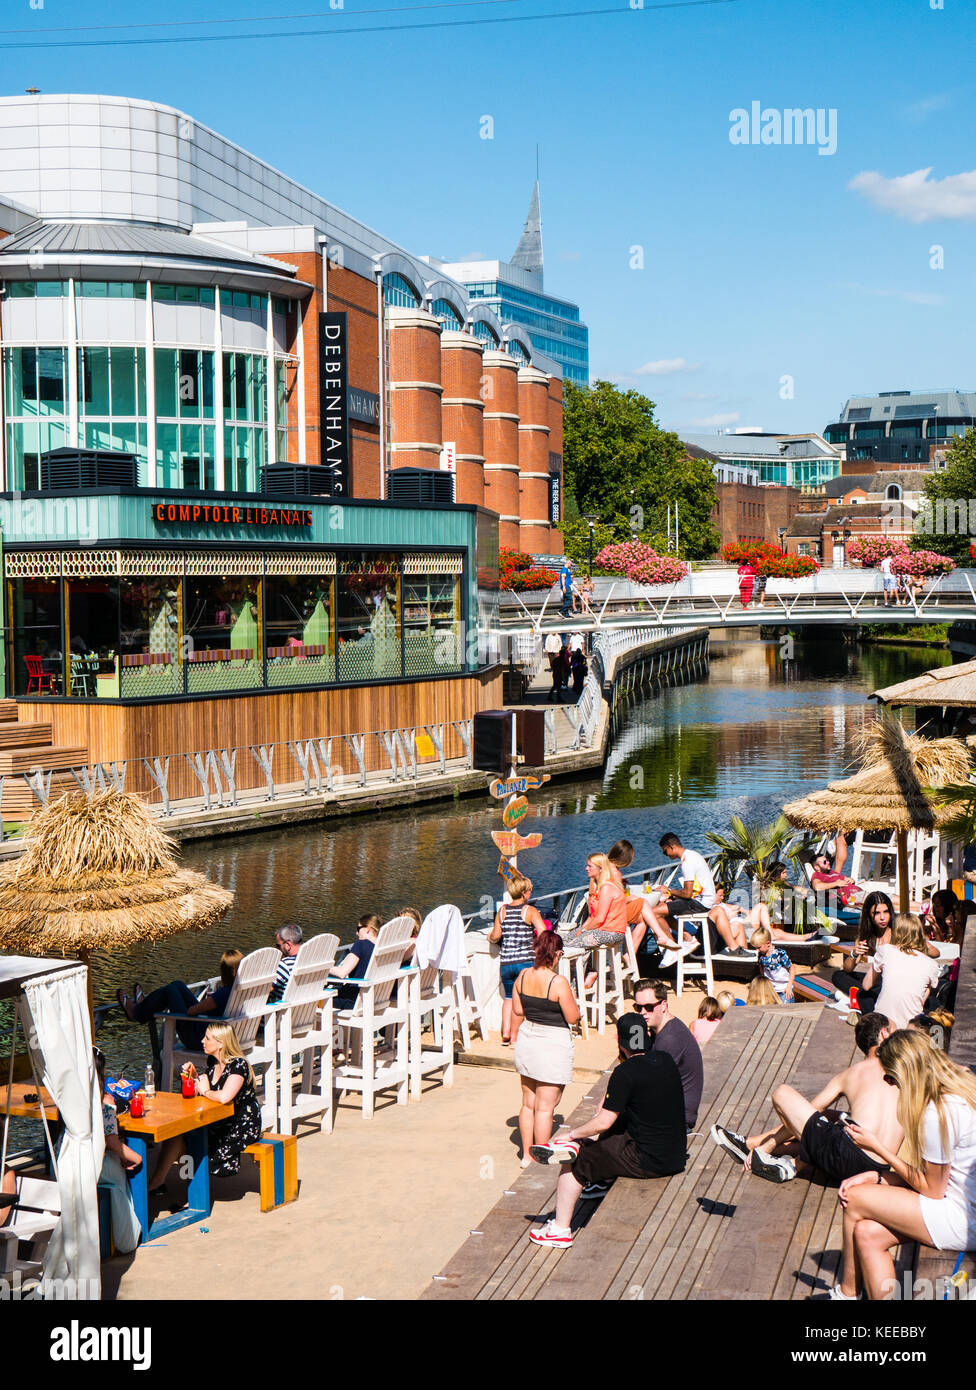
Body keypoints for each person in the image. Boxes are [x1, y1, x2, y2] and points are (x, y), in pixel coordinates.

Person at [834, 1028, 976, 1300]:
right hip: (964, 1202)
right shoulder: (960, 1085)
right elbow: (940, 1177)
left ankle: (846, 1294)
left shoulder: (937, 1112)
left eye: (889, 1077)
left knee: (853, 1198)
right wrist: (878, 1177)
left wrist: (877, 1148)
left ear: (904, 1073)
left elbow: (933, 1189)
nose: (890, 1084)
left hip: (963, 1217)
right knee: (867, 1234)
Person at [527, 1013, 686, 1246]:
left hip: (647, 1161)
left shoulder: (625, 1072)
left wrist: (571, 1134)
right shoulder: (665, 1060)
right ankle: (599, 1178)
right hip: (674, 1155)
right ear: (648, 1036)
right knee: (622, 1121)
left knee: (577, 1161)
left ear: (620, 1042)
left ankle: (559, 1229)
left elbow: (603, 1122)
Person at [711, 1012, 901, 1187]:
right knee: (833, 1118)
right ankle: (763, 1149)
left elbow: (809, 1112)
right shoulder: (905, 1071)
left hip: (845, 1161)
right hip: (880, 1169)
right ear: (884, 1034)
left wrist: (770, 1144)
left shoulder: (851, 1074)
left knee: (782, 1093)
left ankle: (762, 1149)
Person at [148, 1023, 263, 1194]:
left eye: (207, 1038)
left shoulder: (238, 1066)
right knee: (176, 1136)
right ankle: (161, 1184)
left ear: (221, 1043)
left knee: (193, 1145)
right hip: (218, 1121)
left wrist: (205, 1090)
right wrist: (191, 1077)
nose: (202, 1041)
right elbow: (198, 1096)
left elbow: (224, 1097)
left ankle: (191, 1192)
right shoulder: (213, 1064)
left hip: (240, 1126)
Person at [511, 931, 579, 1165]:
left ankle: (525, 1154)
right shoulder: (557, 982)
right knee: (545, 1108)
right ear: (557, 954)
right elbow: (572, 1017)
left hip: (528, 1038)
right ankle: (540, 1157)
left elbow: (518, 1011)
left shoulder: (522, 975)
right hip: (551, 1043)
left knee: (528, 1104)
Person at [118, 947, 243, 1049]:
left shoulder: (225, 993)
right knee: (177, 985)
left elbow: (191, 1011)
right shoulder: (247, 990)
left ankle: (137, 1012)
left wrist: (208, 1002)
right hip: (225, 1034)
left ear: (224, 972)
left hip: (200, 1038)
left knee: (170, 990)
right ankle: (143, 1006)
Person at [653, 833, 749, 956]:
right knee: (664, 910)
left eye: (665, 851)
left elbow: (687, 894)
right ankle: (687, 937)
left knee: (655, 912)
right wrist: (674, 895)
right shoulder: (693, 855)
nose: (665, 855)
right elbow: (693, 890)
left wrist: (669, 891)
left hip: (700, 903)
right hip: (705, 899)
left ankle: (672, 950)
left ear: (671, 846)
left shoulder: (687, 862)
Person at [634, 978, 704, 1130]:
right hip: (669, 1112)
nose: (642, 1013)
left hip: (675, 1122)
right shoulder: (660, 1028)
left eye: (649, 1007)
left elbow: (648, 1084)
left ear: (663, 1005)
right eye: (638, 1007)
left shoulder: (669, 1039)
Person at [606, 838, 691, 960]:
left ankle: (630, 955)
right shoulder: (614, 872)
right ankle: (660, 939)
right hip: (613, 912)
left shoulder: (607, 868)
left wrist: (622, 886)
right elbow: (614, 898)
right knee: (644, 904)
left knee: (644, 918)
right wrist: (631, 898)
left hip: (610, 909)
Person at [489, 873, 548, 1045]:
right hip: (525, 962)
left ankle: (506, 1032)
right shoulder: (529, 911)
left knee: (508, 997)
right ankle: (518, 1033)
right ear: (524, 893)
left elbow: (495, 936)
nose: (531, 893)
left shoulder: (502, 911)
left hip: (506, 962)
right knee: (523, 997)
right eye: (529, 891)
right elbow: (544, 933)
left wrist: (489, 939)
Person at [94, 1047, 142, 1253]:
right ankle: (127, 1233)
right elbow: (111, 1143)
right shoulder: (105, 1103)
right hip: (98, 1165)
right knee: (129, 1163)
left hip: (63, 1162)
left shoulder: (66, 1098)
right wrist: (137, 1158)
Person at [861, 912, 943, 1030]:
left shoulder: (885, 950)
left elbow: (866, 985)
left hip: (883, 1021)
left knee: (863, 994)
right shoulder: (931, 964)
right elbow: (923, 997)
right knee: (928, 990)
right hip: (910, 1025)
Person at [561, 854, 629, 975]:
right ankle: (588, 973)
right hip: (600, 930)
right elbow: (592, 916)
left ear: (601, 869)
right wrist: (580, 929)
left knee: (569, 946)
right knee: (562, 940)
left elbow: (600, 918)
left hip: (611, 932)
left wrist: (583, 930)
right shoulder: (598, 886)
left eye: (590, 866)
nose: (586, 868)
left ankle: (576, 982)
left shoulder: (607, 887)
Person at [722, 861, 823, 943]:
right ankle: (805, 933)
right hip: (774, 914)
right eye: (783, 873)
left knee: (803, 900)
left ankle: (807, 933)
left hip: (780, 912)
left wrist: (803, 892)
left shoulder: (783, 883)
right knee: (780, 927)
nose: (786, 875)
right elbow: (776, 898)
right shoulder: (767, 887)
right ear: (777, 874)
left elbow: (794, 888)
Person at [832, 890, 894, 1010]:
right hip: (877, 980)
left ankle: (861, 997)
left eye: (886, 912)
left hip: (893, 980)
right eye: (877, 913)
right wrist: (855, 953)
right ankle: (867, 997)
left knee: (876, 985)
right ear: (869, 915)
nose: (882, 917)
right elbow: (848, 969)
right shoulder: (866, 935)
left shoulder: (897, 931)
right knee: (838, 976)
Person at [331, 913, 380, 1010]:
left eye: (358, 929)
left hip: (355, 999)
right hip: (376, 998)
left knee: (318, 1001)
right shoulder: (384, 945)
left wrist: (322, 967)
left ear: (367, 929)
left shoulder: (361, 944)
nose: (356, 933)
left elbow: (342, 973)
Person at [808, 839, 862, 908]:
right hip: (850, 900)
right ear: (817, 867)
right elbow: (817, 887)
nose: (828, 862)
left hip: (858, 893)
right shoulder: (817, 875)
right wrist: (836, 883)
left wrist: (850, 880)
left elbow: (843, 880)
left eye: (827, 860)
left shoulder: (832, 872)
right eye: (824, 862)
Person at [750, 926, 795, 1002]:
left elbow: (792, 968)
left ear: (768, 943)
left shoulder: (779, 954)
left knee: (786, 1011)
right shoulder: (761, 955)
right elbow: (762, 968)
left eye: (759, 947)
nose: (757, 950)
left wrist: (789, 986)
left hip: (784, 989)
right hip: (771, 990)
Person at [269, 923, 303, 1003]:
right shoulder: (312, 958)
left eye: (278, 945)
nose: (278, 948)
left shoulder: (285, 965)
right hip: (307, 1007)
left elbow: (267, 989)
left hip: (284, 1010)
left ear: (287, 945)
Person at [544, 630, 563, 700]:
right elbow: (546, 642)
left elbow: (560, 643)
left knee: (556, 685)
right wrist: (546, 649)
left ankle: (554, 696)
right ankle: (555, 697)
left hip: (556, 650)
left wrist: (559, 650)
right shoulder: (549, 636)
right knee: (556, 685)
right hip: (550, 650)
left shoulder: (558, 636)